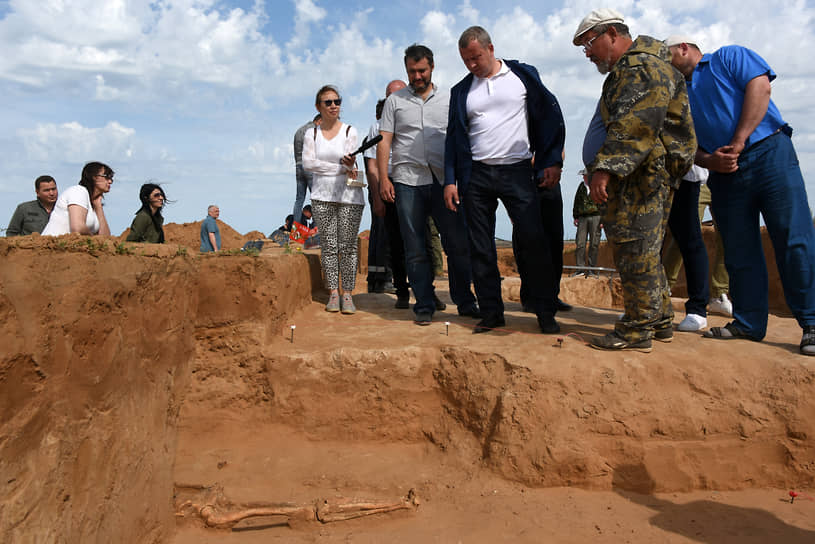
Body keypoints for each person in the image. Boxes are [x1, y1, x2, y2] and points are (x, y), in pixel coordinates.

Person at [667, 35, 815, 355]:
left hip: (769, 154)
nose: (665, 66)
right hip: (723, 172)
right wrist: (709, 161)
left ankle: (812, 323)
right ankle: (748, 324)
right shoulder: (676, 93)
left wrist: (739, 139)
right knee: (737, 248)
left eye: (667, 58)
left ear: (684, 48)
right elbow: (681, 142)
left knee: (794, 238)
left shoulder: (728, 57)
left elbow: (760, 88)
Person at [572, 9, 696, 352]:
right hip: (642, 173)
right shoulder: (635, 68)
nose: (587, 52)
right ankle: (659, 320)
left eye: (589, 42)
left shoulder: (640, 67)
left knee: (634, 248)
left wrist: (605, 168)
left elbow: (635, 125)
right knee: (645, 250)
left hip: (641, 175)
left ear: (612, 32)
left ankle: (637, 329)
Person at [444, 26, 565, 334]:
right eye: (466, 60)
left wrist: (550, 160)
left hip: (518, 171)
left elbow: (550, 117)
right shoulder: (461, 91)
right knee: (481, 247)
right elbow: (454, 137)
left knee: (532, 242)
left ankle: (544, 312)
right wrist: (450, 180)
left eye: (476, 57)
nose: (472, 65)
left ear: (491, 48)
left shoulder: (523, 76)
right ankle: (492, 313)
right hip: (477, 175)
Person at [377, 44, 479, 326]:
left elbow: (462, 138)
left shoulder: (449, 99)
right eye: (412, 71)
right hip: (407, 181)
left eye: (421, 70)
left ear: (432, 67)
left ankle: (465, 301)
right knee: (415, 247)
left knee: (457, 244)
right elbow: (385, 140)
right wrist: (384, 178)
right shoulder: (394, 102)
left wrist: (459, 178)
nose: (417, 76)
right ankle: (423, 303)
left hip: (443, 182)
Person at [302, 85, 365, 315]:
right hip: (321, 196)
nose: (333, 106)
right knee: (329, 247)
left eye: (337, 101)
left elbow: (350, 163)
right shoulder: (312, 134)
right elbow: (308, 164)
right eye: (327, 102)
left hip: (350, 196)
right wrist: (339, 168)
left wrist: (345, 166)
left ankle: (347, 293)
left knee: (347, 247)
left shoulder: (350, 131)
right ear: (318, 106)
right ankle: (333, 293)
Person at [661, 164, 710, 331]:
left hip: (685, 176)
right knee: (650, 243)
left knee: (690, 239)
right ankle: (650, 306)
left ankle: (697, 310)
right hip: (654, 177)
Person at [42, 162, 114, 236]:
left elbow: (105, 237)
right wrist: (94, 240)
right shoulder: (78, 191)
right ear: (94, 177)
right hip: (52, 245)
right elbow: (77, 228)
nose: (110, 181)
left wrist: (98, 206)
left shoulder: (93, 204)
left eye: (111, 178)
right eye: (107, 177)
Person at [573, 171, 602, 276]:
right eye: (583, 175)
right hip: (582, 218)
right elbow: (576, 201)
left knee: (594, 244)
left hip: (596, 217)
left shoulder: (598, 185)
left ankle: (591, 270)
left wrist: (603, 219)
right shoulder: (581, 187)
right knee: (580, 244)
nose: (584, 177)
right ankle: (580, 269)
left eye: (586, 175)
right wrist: (575, 216)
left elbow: (605, 201)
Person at [293, 114, 321, 218]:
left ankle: (296, 230)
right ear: (320, 121)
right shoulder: (313, 131)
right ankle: (317, 228)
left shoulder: (298, 131)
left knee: (299, 199)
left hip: (298, 166)